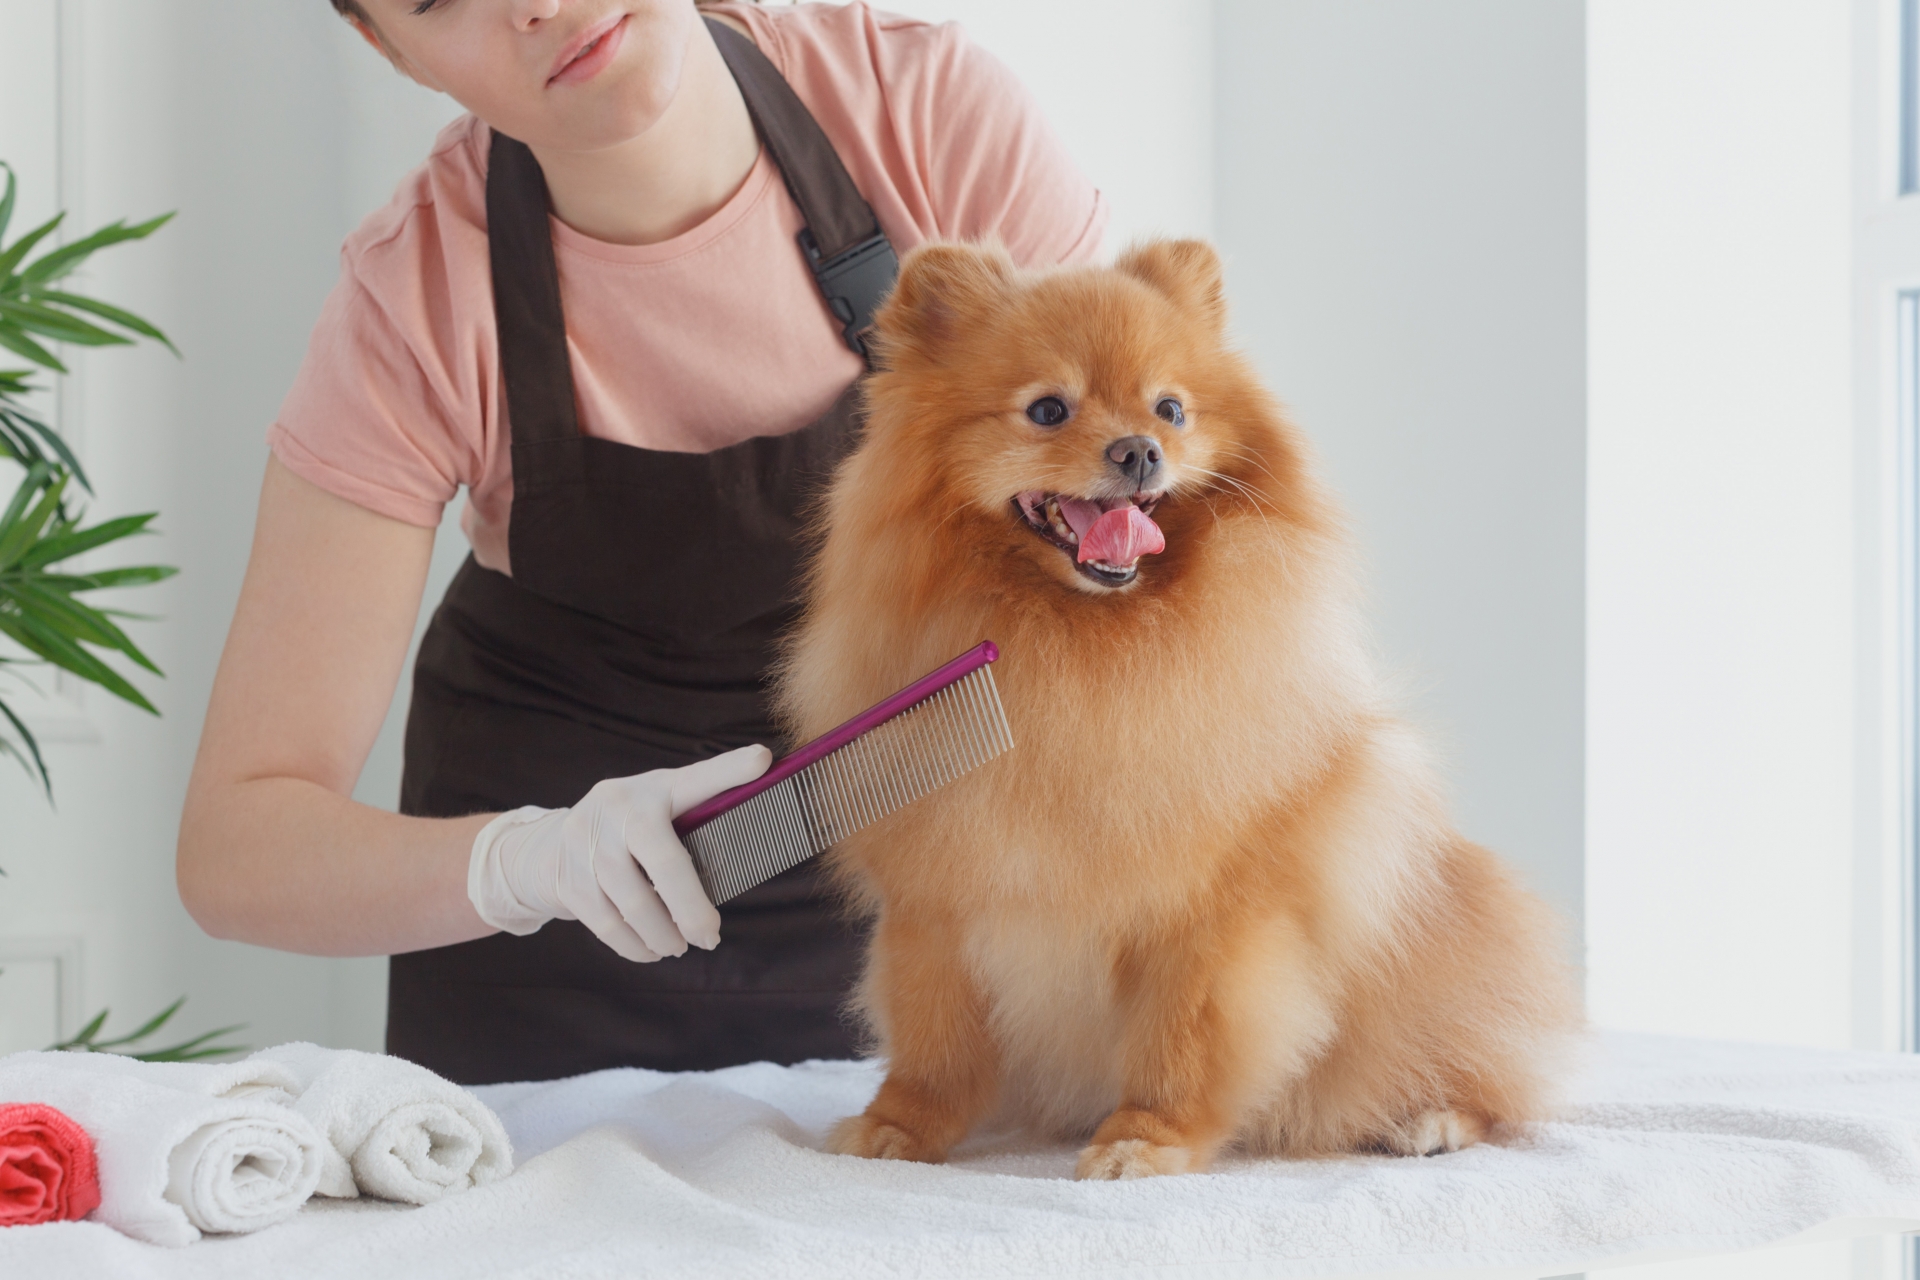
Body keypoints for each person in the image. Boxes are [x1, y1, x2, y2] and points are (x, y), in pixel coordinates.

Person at [175, 0, 1105, 1085]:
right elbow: (235, 851)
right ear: (393, 53)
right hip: (550, 986)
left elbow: (1153, 566)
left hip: (910, 922)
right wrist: (529, 863)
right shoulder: (413, 301)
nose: (527, 6)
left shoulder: (923, 117)